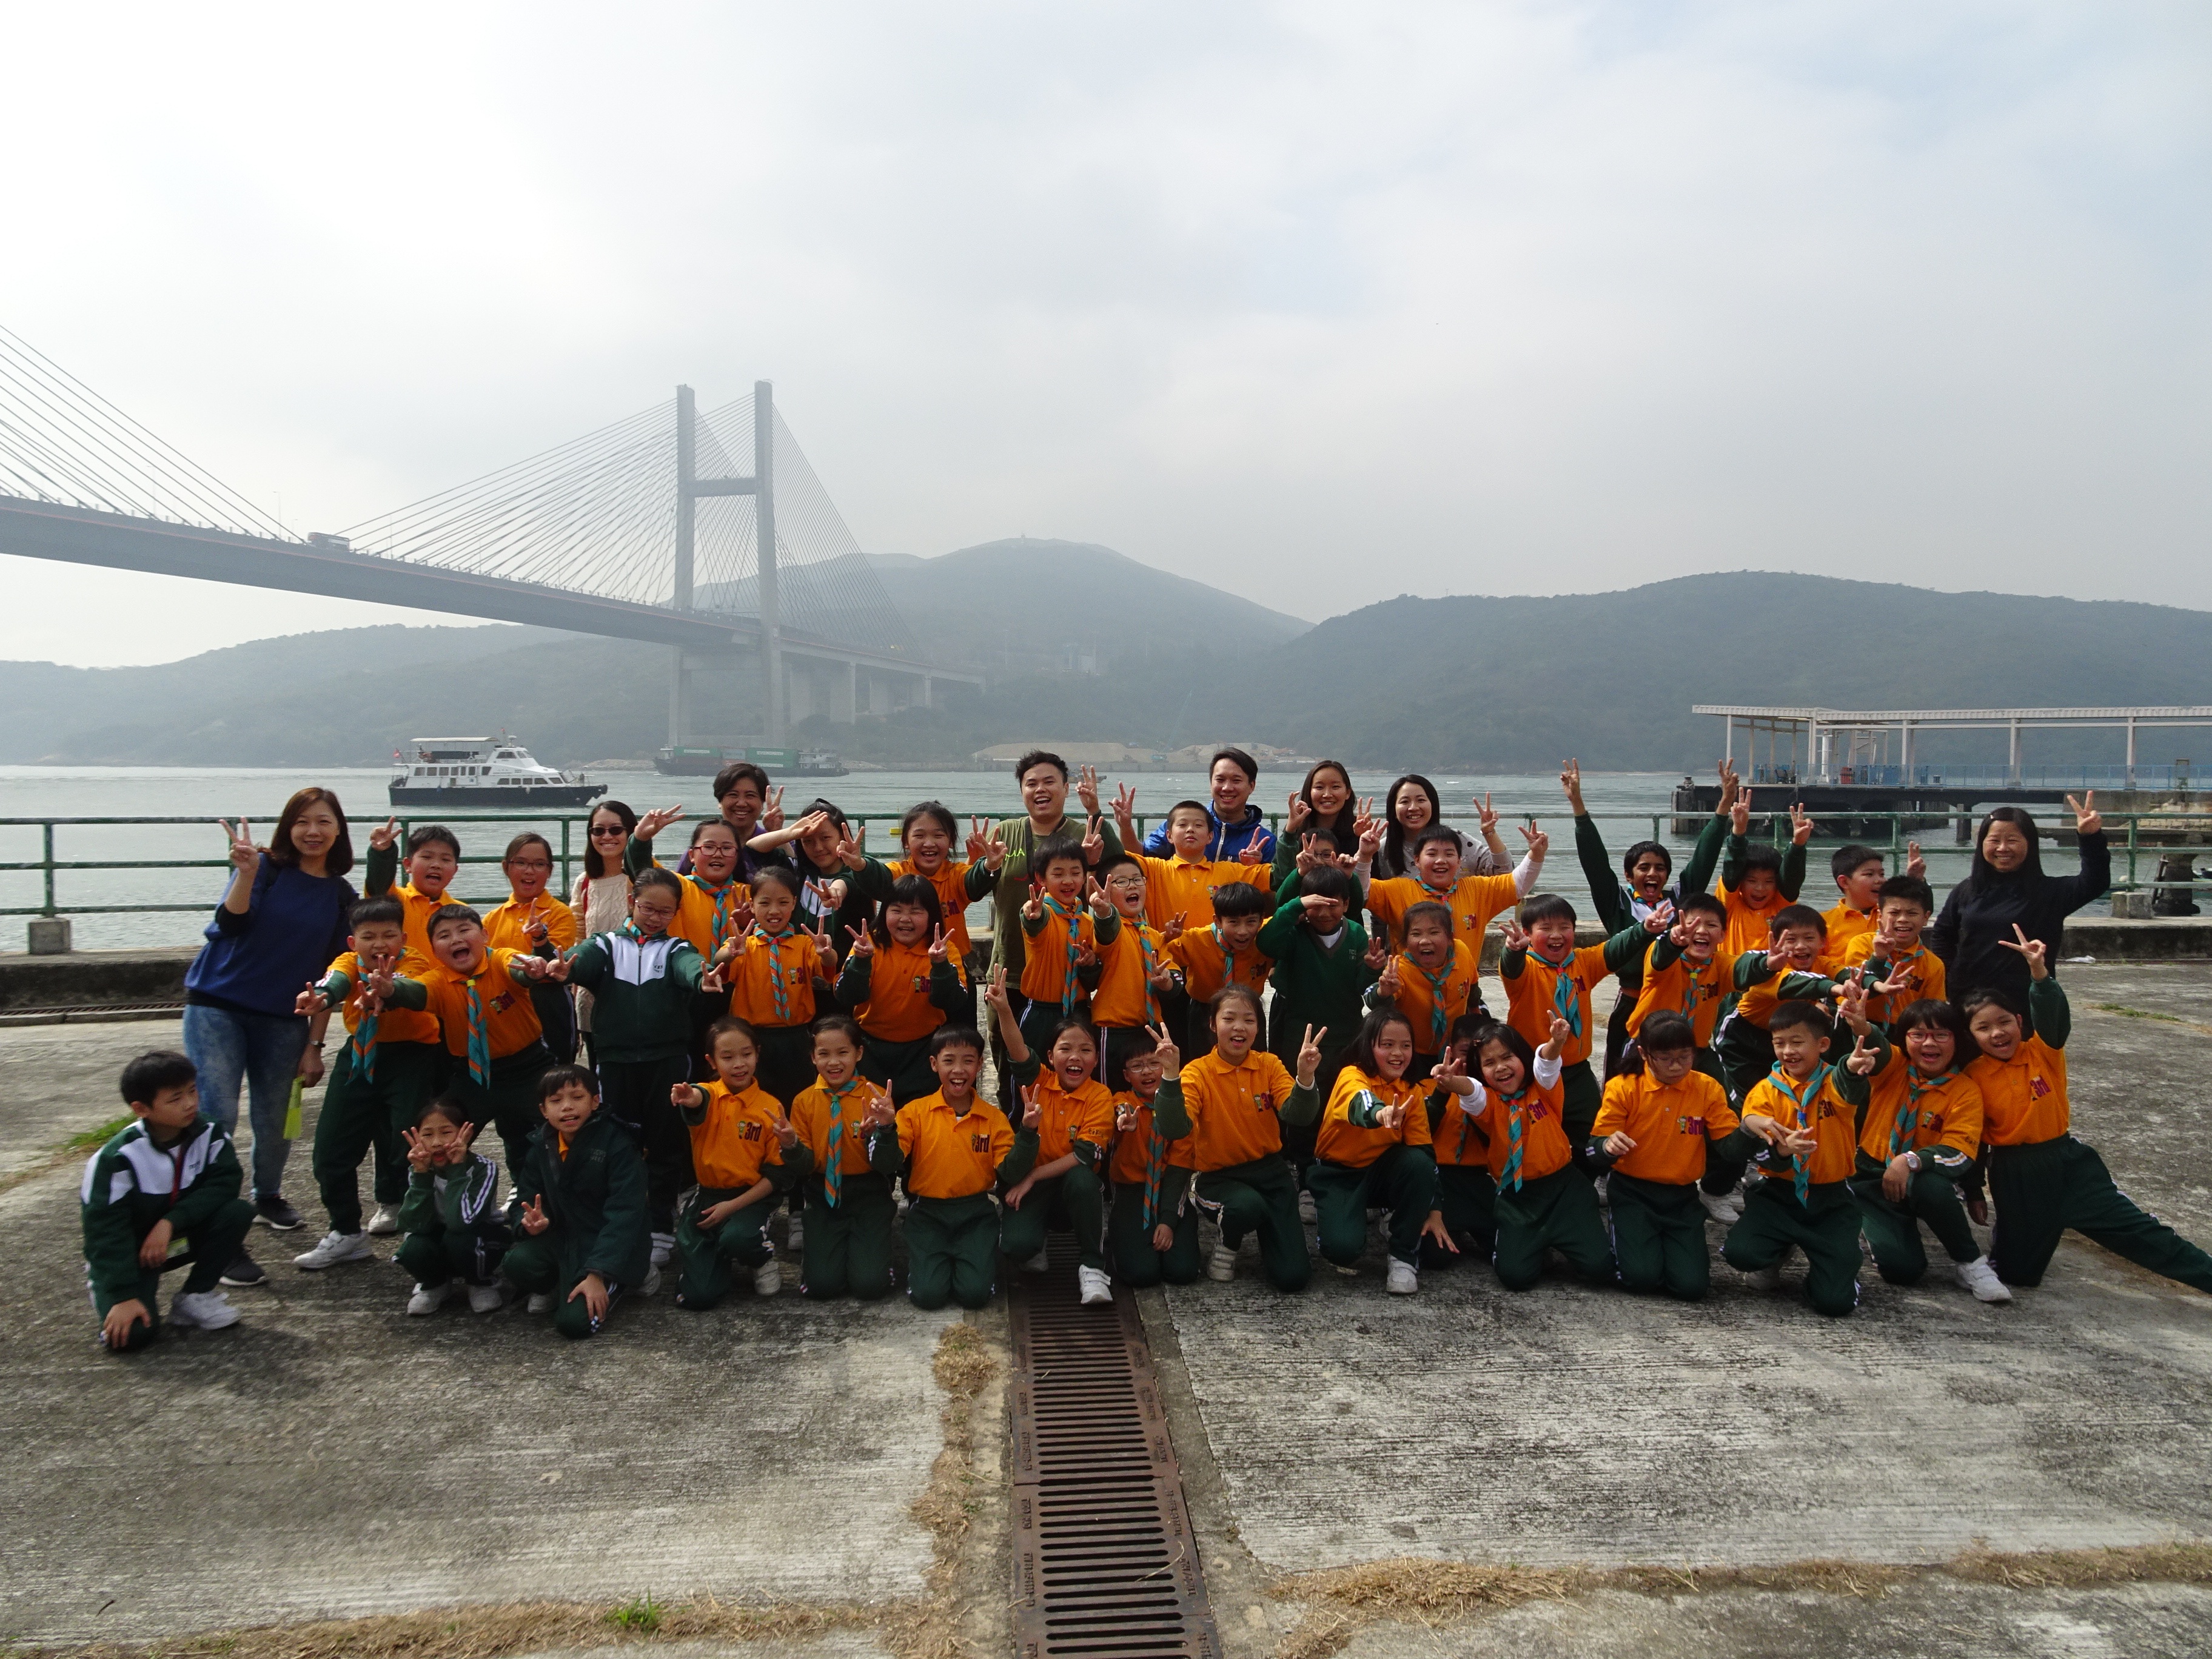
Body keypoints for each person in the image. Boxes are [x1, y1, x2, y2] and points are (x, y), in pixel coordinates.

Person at [1966, 927, 2212, 1294]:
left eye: (2004, 1022)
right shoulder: (1973, 1077)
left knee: (2142, 1234)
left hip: (2066, 1162)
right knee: (2018, 1274)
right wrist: (1973, 1189)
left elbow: (2051, 1014)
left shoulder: (2043, 1051)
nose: (1997, 1033)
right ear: (1972, 1036)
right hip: (2015, 1173)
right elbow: (1974, 1140)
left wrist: (2039, 974)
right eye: (1984, 1028)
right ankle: (2024, 1230)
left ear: (2019, 1022)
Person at [183, 791, 358, 1286]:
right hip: (217, 1006)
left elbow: (332, 976)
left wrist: (314, 1046)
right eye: (301, 821)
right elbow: (230, 922)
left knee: (278, 1118)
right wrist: (245, 873)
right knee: (217, 1115)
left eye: (323, 821)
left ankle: (268, 1194)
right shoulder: (264, 869)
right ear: (288, 828)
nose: (312, 831)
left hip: (285, 1018)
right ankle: (220, 1230)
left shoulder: (341, 895)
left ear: (339, 831)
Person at [555, 866, 710, 1267]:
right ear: (631, 902)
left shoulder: (676, 948)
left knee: (665, 1142)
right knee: (617, 1142)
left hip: (667, 1061)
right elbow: (581, 960)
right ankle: (620, 1219)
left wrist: (702, 977)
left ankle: (660, 1221)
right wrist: (563, 966)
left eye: (665, 911)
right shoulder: (606, 945)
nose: (655, 918)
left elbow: (690, 966)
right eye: (648, 908)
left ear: (676, 912)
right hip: (615, 1061)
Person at [291, 896, 443, 1272]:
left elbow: (411, 988)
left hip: (413, 1056)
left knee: (409, 1141)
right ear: (352, 941)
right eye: (369, 936)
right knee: (330, 1149)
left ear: (403, 938)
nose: (379, 945)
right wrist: (322, 998)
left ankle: (421, 1227)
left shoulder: (415, 962)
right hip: (360, 1053)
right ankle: (346, 1232)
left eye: (389, 935)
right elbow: (336, 982)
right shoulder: (347, 963)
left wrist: (386, 992)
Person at [869, 996, 1040, 1312]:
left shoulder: (993, 1119)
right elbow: (886, 1163)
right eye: (949, 1061)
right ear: (934, 1064)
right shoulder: (914, 1113)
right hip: (928, 1214)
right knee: (928, 1297)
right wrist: (886, 1128)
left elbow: (1010, 1171)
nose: (958, 1070)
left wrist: (1028, 1133)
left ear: (980, 1065)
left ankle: (975, 1260)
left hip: (975, 1214)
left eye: (968, 1061)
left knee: (975, 1295)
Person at [1561, 758, 1731, 1072]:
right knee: (1622, 1078)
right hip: (1631, 1003)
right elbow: (1595, 863)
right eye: (1644, 868)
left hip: (1675, 1004)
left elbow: (1704, 859)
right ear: (1629, 875)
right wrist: (1578, 808)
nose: (1653, 874)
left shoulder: (1680, 902)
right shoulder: (1618, 904)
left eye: (1660, 868)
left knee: (1680, 1077)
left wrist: (1723, 809)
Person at [1586, 1013, 1768, 1301]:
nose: (1676, 1066)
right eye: (1665, 1058)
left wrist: (1748, 1130)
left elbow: (1729, 1148)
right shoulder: (1624, 1087)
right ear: (1644, 1054)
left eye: (1685, 1056)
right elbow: (1594, 1149)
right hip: (1633, 1193)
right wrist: (1607, 1145)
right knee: (1640, 1278)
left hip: (1682, 1198)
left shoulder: (1707, 1087)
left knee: (1692, 1287)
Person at [82, 1050, 255, 1351]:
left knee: (236, 1212)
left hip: (174, 1242)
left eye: (192, 1091)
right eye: (175, 1099)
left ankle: (195, 1296)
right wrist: (122, 1295)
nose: (190, 1104)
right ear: (141, 1109)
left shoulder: (210, 1133)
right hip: (133, 1253)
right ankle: (121, 1293)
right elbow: (104, 1233)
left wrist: (169, 1223)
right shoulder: (117, 1159)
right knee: (132, 1338)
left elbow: (225, 1184)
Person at [373, 904, 563, 1177]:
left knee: (562, 1128)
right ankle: (439, 1191)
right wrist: (391, 989)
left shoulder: (499, 959)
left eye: (464, 930)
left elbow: (518, 966)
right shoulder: (438, 981)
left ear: (484, 935)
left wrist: (532, 968)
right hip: (473, 1076)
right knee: (439, 1130)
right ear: (434, 949)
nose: (456, 939)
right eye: (444, 936)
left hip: (530, 1069)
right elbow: (415, 991)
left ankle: (543, 1189)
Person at [1721, 999, 1883, 1316]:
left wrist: (1852, 1069)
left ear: (1822, 1045)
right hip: (1779, 1194)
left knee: (1834, 1303)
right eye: (1779, 1043)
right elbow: (1757, 1150)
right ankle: (1776, 1253)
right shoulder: (1765, 1091)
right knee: (1740, 1253)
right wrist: (1781, 1148)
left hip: (1829, 1199)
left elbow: (1849, 1087)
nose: (1788, 1051)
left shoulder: (1833, 1083)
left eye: (1797, 1042)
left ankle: (1833, 1273)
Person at [1433, 1017, 1615, 1290]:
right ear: (1480, 1071)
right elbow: (1472, 1092)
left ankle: (1565, 1237)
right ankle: (1532, 1244)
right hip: (1518, 1198)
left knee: (1600, 1269)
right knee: (1515, 1277)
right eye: (1489, 1063)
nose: (1501, 1067)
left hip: (1565, 1191)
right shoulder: (1490, 1104)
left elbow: (1546, 1064)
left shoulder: (1543, 1090)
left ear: (1522, 1058)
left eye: (1508, 1057)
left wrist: (1556, 1042)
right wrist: (1451, 1081)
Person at [1847, 999, 2008, 1302]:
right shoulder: (1894, 1067)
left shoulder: (1965, 1091)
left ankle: (1971, 1263)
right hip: (1871, 1178)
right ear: (1905, 1040)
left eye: (1941, 1035)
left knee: (1931, 1184)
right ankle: (1868, 1222)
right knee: (1903, 1271)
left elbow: (1960, 1151)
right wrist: (1860, 1025)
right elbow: (1876, 1045)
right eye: (1918, 1035)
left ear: (1957, 1039)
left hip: (1916, 1179)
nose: (1929, 1043)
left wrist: (1910, 1160)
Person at [1170, 988, 1323, 1291]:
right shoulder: (1197, 1072)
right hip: (1220, 1177)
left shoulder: (1269, 1065)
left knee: (1293, 1278)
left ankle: (1272, 1233)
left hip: (1271, 1174)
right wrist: (1170, 1078)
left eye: (1249, 1020)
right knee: (1245, 1207)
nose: (1239, 1027)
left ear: (1258, 1027)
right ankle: (1228, 1242)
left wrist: (1305, 1077)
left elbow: (1297, 1115)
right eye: (1229, 1019)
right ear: (1213, 1024)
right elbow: (1175, 1126)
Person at [1495, 896, 1663, 1168]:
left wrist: (1644, 929)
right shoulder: (1527, 969)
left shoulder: (1582, 963)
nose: (1557, 935)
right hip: (1534, 1071)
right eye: (1546, 928)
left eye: (1565, 927)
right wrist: (1513, 951)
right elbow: (1511, 969)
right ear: (1527, 933)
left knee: (1593, 1131)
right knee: (1536, 1132)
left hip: (1576, 1070)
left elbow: (1614, 949)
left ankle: (1587, 1177)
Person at [668, 1017, 812, 1309]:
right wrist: (689, 1096)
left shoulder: (769, 1107)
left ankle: (760, 1258)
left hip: (751, 1199)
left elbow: (776, 1177)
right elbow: (697, 1099)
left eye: (746, 1054)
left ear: (758, 1054)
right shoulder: (709, 1094)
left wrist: (731, 1207)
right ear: (711, 1061)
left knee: (739, 1238)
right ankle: (717, 1260)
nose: (739, 1064)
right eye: (727, 1057)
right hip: (708, 1196)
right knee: (699, 1297)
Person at [503, 1064, 654, 1338]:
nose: (567, 1107)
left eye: (577, 1097)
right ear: (543, 1110)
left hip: (608, 1248)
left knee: (574, 1325)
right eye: (556, 1101)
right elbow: (523, 1198)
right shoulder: (541, 1145)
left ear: (595, 1102)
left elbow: (625, 1214)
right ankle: (558, 1285)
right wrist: (533, 1223)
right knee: (517, 1263)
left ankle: (625, 1280)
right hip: (565, 1239)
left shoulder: (617, 1144)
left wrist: (598, 1273)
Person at [1928, 797, 2110, 1008]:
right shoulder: (1966, 890)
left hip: (2026, 1004)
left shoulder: (2050, 893)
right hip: (1970, 1004)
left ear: (2030, 844)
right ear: (1982, 844)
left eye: (2012, 840)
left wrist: (2090, 838)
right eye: (1994, 840)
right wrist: (1950, 978)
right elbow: (1942, 934)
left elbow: (2095, 883)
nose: (2003, 848)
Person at [1309, 1010, 1442, 1294]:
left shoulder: (1411, 1091)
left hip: (1383, 1170)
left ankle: (1403, 1257)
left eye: (1406, 1045)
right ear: (1368, 1046)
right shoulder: (1351, 1075)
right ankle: (1340, 1211)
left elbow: (1424, 1152)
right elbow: (1361, 1101)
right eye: (1387, 1045)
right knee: (1342, 1250)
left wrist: (1435, 1209)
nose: (1398, 1053)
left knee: (1418, 1163)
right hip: (1340, 1174)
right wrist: (1381, 1114)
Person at [983, 751, 1118, 1003]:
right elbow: (972, 888)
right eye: (1031, 784)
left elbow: (1115, 882)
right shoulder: (1004, 833)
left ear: (1066, 789)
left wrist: (1094, 815)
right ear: (1022, 791)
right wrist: (981, 865)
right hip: (1009, 970)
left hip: (1067, 970)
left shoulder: (1085, 834)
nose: (1040, 789)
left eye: (1049, 782)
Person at [1000, 1019, 1118, 1304]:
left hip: (1069, 1186)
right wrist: (1003, 1009)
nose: (1075, 1057)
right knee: (1017, 1246)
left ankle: (1093, 1267)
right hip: (1036, 1190)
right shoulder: (1039, 1081)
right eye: (1065, 1049)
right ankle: (1036, 1240)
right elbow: (1016, 1048)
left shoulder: (1101, 1096)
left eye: (1085, 1050)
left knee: (1083, 1179)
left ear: (1096, 1059)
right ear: (1051, 1057)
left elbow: (1083, 1156)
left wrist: (1033, 1176)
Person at [702, 864, 840, 1108]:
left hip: (796, 1037)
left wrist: (827, 952)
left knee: (797, 1099)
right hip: (753, 1040)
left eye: (783, 902)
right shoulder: (744, 946)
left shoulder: (805, 944)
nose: (774, 911)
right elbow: (719, 962)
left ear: (794, 903)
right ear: (752, 905)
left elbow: (828, 968)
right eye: (764, 903)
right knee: (755, 1101)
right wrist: (729, 954)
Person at [1257, 863, 1376, 1142]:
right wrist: (1294, 907)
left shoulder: (1356, 933)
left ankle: (1334, 1151)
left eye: (1333, 905)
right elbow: (1266, 943)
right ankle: (1299, 1155)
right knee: (1302, 1095)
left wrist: (1373, 970)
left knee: (1339, 1095)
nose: (1324, 913)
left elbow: (1362, 987)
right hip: (1300, 1035)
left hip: (1346, 1033)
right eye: (1316, 905)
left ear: (1346, 904)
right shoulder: (1295, 932)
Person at [786, 1015, 899, 1301]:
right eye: (824, 1054)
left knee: (870, 1286)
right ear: (813, 1057)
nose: (834, 1062)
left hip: (869, 1195)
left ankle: (874, 1256)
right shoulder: (803, 1102)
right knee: (822, 1286)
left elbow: (888, 1165)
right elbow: (805, 1166)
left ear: (859, 1053)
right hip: (823, 1196)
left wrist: (883, 1131)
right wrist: (791, 1146)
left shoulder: (876, 1099)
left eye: (843, 1053)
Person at [836, 875, 970, 1104]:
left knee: (919, 1115)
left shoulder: (945, 951)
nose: (905, 919)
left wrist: (940, 965)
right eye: (896, 910)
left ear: (932, 916)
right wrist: (860, 961)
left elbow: (953, 1002)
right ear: (884, 913)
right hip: (870, 1048)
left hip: (923, 1050)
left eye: (916, 911)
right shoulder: (869, 945)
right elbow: (846, 995)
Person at [1103, 1024, 1201, 1289]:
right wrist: (1123, 1122)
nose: (1147, 1071)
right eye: (1137, 1066)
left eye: (1154, 1063)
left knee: (1182, 1272)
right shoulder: (1122, 1101)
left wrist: (1168, 1221)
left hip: (1171, 1189)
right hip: (1132, 1192)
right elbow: (1118, 1112)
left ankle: (1171, 1229)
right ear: (1126, 1075)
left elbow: (1181, 1167)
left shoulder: (1181, 1107)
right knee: (1141, 1275)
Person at [392, 1095, 509, 1316]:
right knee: (414, 1247)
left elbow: (461, 1223)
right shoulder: (418, 1168)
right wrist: (421, 1176)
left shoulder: (484, 1169)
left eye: (446, 1132)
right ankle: (435, 1285)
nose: (437, 1142)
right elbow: (412, 1224)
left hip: (477, 1237)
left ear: (466, 1134)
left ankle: (481, 1282)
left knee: (459, 1239)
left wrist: (457, 1170)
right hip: (440, 1236)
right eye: (427, 1135)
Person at [1360, 822, 1544, 951]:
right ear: (1417, 860)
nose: (1441, 860)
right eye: (1432, 854)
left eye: (1449, 854)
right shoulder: (1397, 890)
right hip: (1408, 985)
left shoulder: (1477, 889)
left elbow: (1518, 885)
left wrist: (1536, 854)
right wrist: (1365, 856)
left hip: (1465, 987)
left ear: (1459, 861)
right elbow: (1362, 892)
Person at [1110, 788, 1273, 930]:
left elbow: (1276, 875)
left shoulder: (1230, 871)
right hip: (1167, 952)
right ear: (1169, 836)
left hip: (1216, 953)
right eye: (1182, 825)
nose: (1190, 830)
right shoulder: (1155, 870)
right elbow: (1118, 857)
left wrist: (1288, 833)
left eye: (1198, 825)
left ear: (1210, 837)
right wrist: (1125, 826)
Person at [747, 799, 896, 953]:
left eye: (825, 838)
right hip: (798, 967)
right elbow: (752, 849)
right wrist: (789, 833)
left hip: (848, 966)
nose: (818, 848)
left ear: (842, 836)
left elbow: (865, 882)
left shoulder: (859, 871)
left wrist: (838, 888)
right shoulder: (799, 874)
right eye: (808, 841)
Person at [1089, 851, 1184, 1092]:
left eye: (1137, 879)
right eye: (1121, 882)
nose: (1132, 885)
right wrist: (1103, 912)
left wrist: (1164, 982)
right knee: (1113, 1097)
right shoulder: (1114, 929)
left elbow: (1175, 982)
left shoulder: (1154, 936)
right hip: (1114, 1031)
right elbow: (1106, 929)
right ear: (1106, 890)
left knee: (1152, 1097)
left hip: (1150, 1030)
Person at [484, 832, 580, 1064]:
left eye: (539, 864)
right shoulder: (491, 919)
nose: (529, 871)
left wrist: (540, 938)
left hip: (547, 1001)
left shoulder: (560, 913)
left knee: (555, 1072)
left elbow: (555, 963)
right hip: (504, 1003)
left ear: (550, 871)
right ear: (506, 867)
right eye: (521, 863)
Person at [1016, 838, 1118, 1056]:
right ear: (1041, 878)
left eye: (1075, 873)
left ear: (1085, 875)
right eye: (1058, 874)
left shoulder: (1086, 922)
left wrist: (1090, 964)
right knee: (1035, 1069)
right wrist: (1032, 916)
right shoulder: (1043, 912)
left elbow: (1091, 982)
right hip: (1042, 1011)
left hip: (1079, 1010)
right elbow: (1035, 925)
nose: (1068, 881)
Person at [1364, 900, 1479, 1079]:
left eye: (1434, 932)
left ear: (1450, 938)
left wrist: (1478, 1019)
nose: (1425, 941)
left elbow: (1473, 989)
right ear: (1406, 942)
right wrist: (1384, 991)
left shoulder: (1462, 952)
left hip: (1454, 1051)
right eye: (1416, 934)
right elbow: (1373, 1000)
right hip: (1414, 1054)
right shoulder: (1400, 969)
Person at [1165, 882, 1274, 1061]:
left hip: (1250, 1010)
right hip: (1204, 1012)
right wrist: (1167, 937)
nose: (1243, 931)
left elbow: (1288, 916)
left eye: (1251, 922)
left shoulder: (1267, 935)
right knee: (1204, 1063)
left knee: (1255, 1061)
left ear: (1261, 920)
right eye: (1234, 922)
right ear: (1218, 921)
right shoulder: (1196, 940)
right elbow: (1159, 951)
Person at [1422, 1014, 1498, 1266]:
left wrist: (1473, 1096)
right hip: (1439, 1179)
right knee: (1435, 1257)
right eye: (1465, 1052)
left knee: (1516, 1253)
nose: (1471, 1061)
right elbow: (1419, 1134)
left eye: (1479, 1055)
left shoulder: (1496, 1093)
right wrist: (1442, 1093)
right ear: (1450, 1049)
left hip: (1480, 1181)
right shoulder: (1426, 1087)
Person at [886, 801, 1002, 963]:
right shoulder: (897, 873)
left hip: (952, 962)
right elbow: (876, 877)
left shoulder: (956, 875)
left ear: (951, 841)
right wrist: (859, 865)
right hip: (903, 964)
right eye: (919, 836)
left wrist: (989, 866)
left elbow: (975, 881)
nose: (929, 843)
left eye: (938, 836)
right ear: (906, 841)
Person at [569, 799, 637, 1067]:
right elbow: (579, 936)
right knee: (598, 1072)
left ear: (632, 832)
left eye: (616, 830)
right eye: (598, 831)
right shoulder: (585, 882)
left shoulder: (644, 876)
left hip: (635, 992)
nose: (607, 837)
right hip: (592, 993)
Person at [1840, 875, 1948, 1030]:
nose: (1903, 919)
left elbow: (1933, 1012)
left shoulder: (1933, 965)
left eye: (1912, 913)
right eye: (1895, 913)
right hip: (1860, 1023)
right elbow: (1857, 990)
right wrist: (1879, 958)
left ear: (1926, 918)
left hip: (1906, 1029)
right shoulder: (1862, 944)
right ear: (1880, 915)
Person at [1717, 795, 1812, 957]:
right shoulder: (1729, 905)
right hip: (1734, 971)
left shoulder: (1781, 906)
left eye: (1769, 882)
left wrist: (1798, 845)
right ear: (1741, 882)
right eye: (1752, 881)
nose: (1760, 888)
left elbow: (1791, 878)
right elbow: (1732, 869)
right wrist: (1738, 832)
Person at [1141, 747, 1273, 862]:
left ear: (1251, 786)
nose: (1227, 788)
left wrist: (1253, 869)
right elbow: (1142, 859)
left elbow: (1274, 883)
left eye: (1236, 781)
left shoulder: (1264, 841)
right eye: (1220, 780)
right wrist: (1129, 827)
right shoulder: (1186, 823)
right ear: (1211, 783)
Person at [1373, 774, 1510, 881]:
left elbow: (1505, 874)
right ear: (1394, 810)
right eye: (1405, 802)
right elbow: (1369, 894)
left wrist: (1489, 832)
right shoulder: (1383, 850)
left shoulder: (1457, 841)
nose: (1413, 807)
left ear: (1433, 805)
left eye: (1421, 800)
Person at [1817, 839, 1925, 973]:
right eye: (1869, 874)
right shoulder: (1824, 923)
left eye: (1882, 874)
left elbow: (1921, 910)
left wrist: (1916, 882)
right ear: (1844, 882)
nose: (1880, 880)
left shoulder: (1891, 915)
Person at [363, 821, 461, 957]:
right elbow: (379, 882)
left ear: (455, 870)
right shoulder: (394, 900)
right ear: (408, 865)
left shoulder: (461, 912)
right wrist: (382, 852)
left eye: (445, 860)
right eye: (427, 857)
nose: (436, 865)